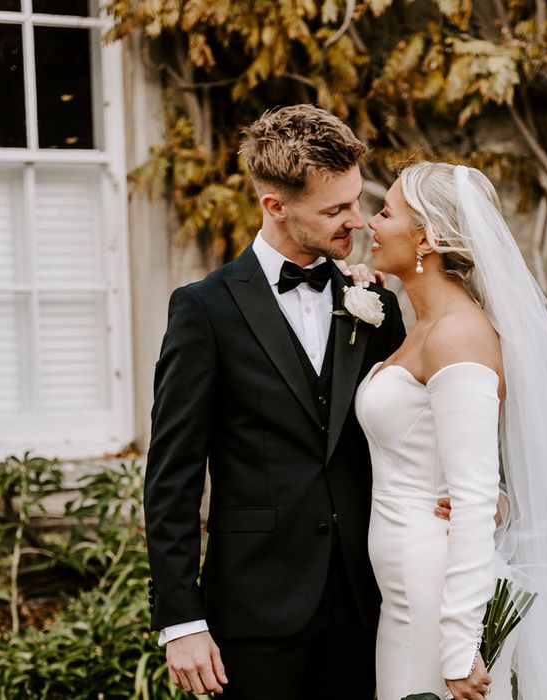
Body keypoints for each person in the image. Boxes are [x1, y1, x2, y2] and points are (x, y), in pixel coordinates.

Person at [355, 162, 547, 700]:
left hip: (438, 598)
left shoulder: (457, 335)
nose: (368, 223)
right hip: (407, 588)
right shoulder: (425, 327)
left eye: (385, 211)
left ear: (429, 236)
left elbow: (471, 501)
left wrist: (459, 641)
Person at [143, 104, 409, 699]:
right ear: (275, 206)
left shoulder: (375, 304)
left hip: (370, 604)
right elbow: (172, 475)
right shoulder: (204, 310)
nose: (359, 222)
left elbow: (405, 430)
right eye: (336, 209)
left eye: (357, 201)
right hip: (254, 614)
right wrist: (181, 620)